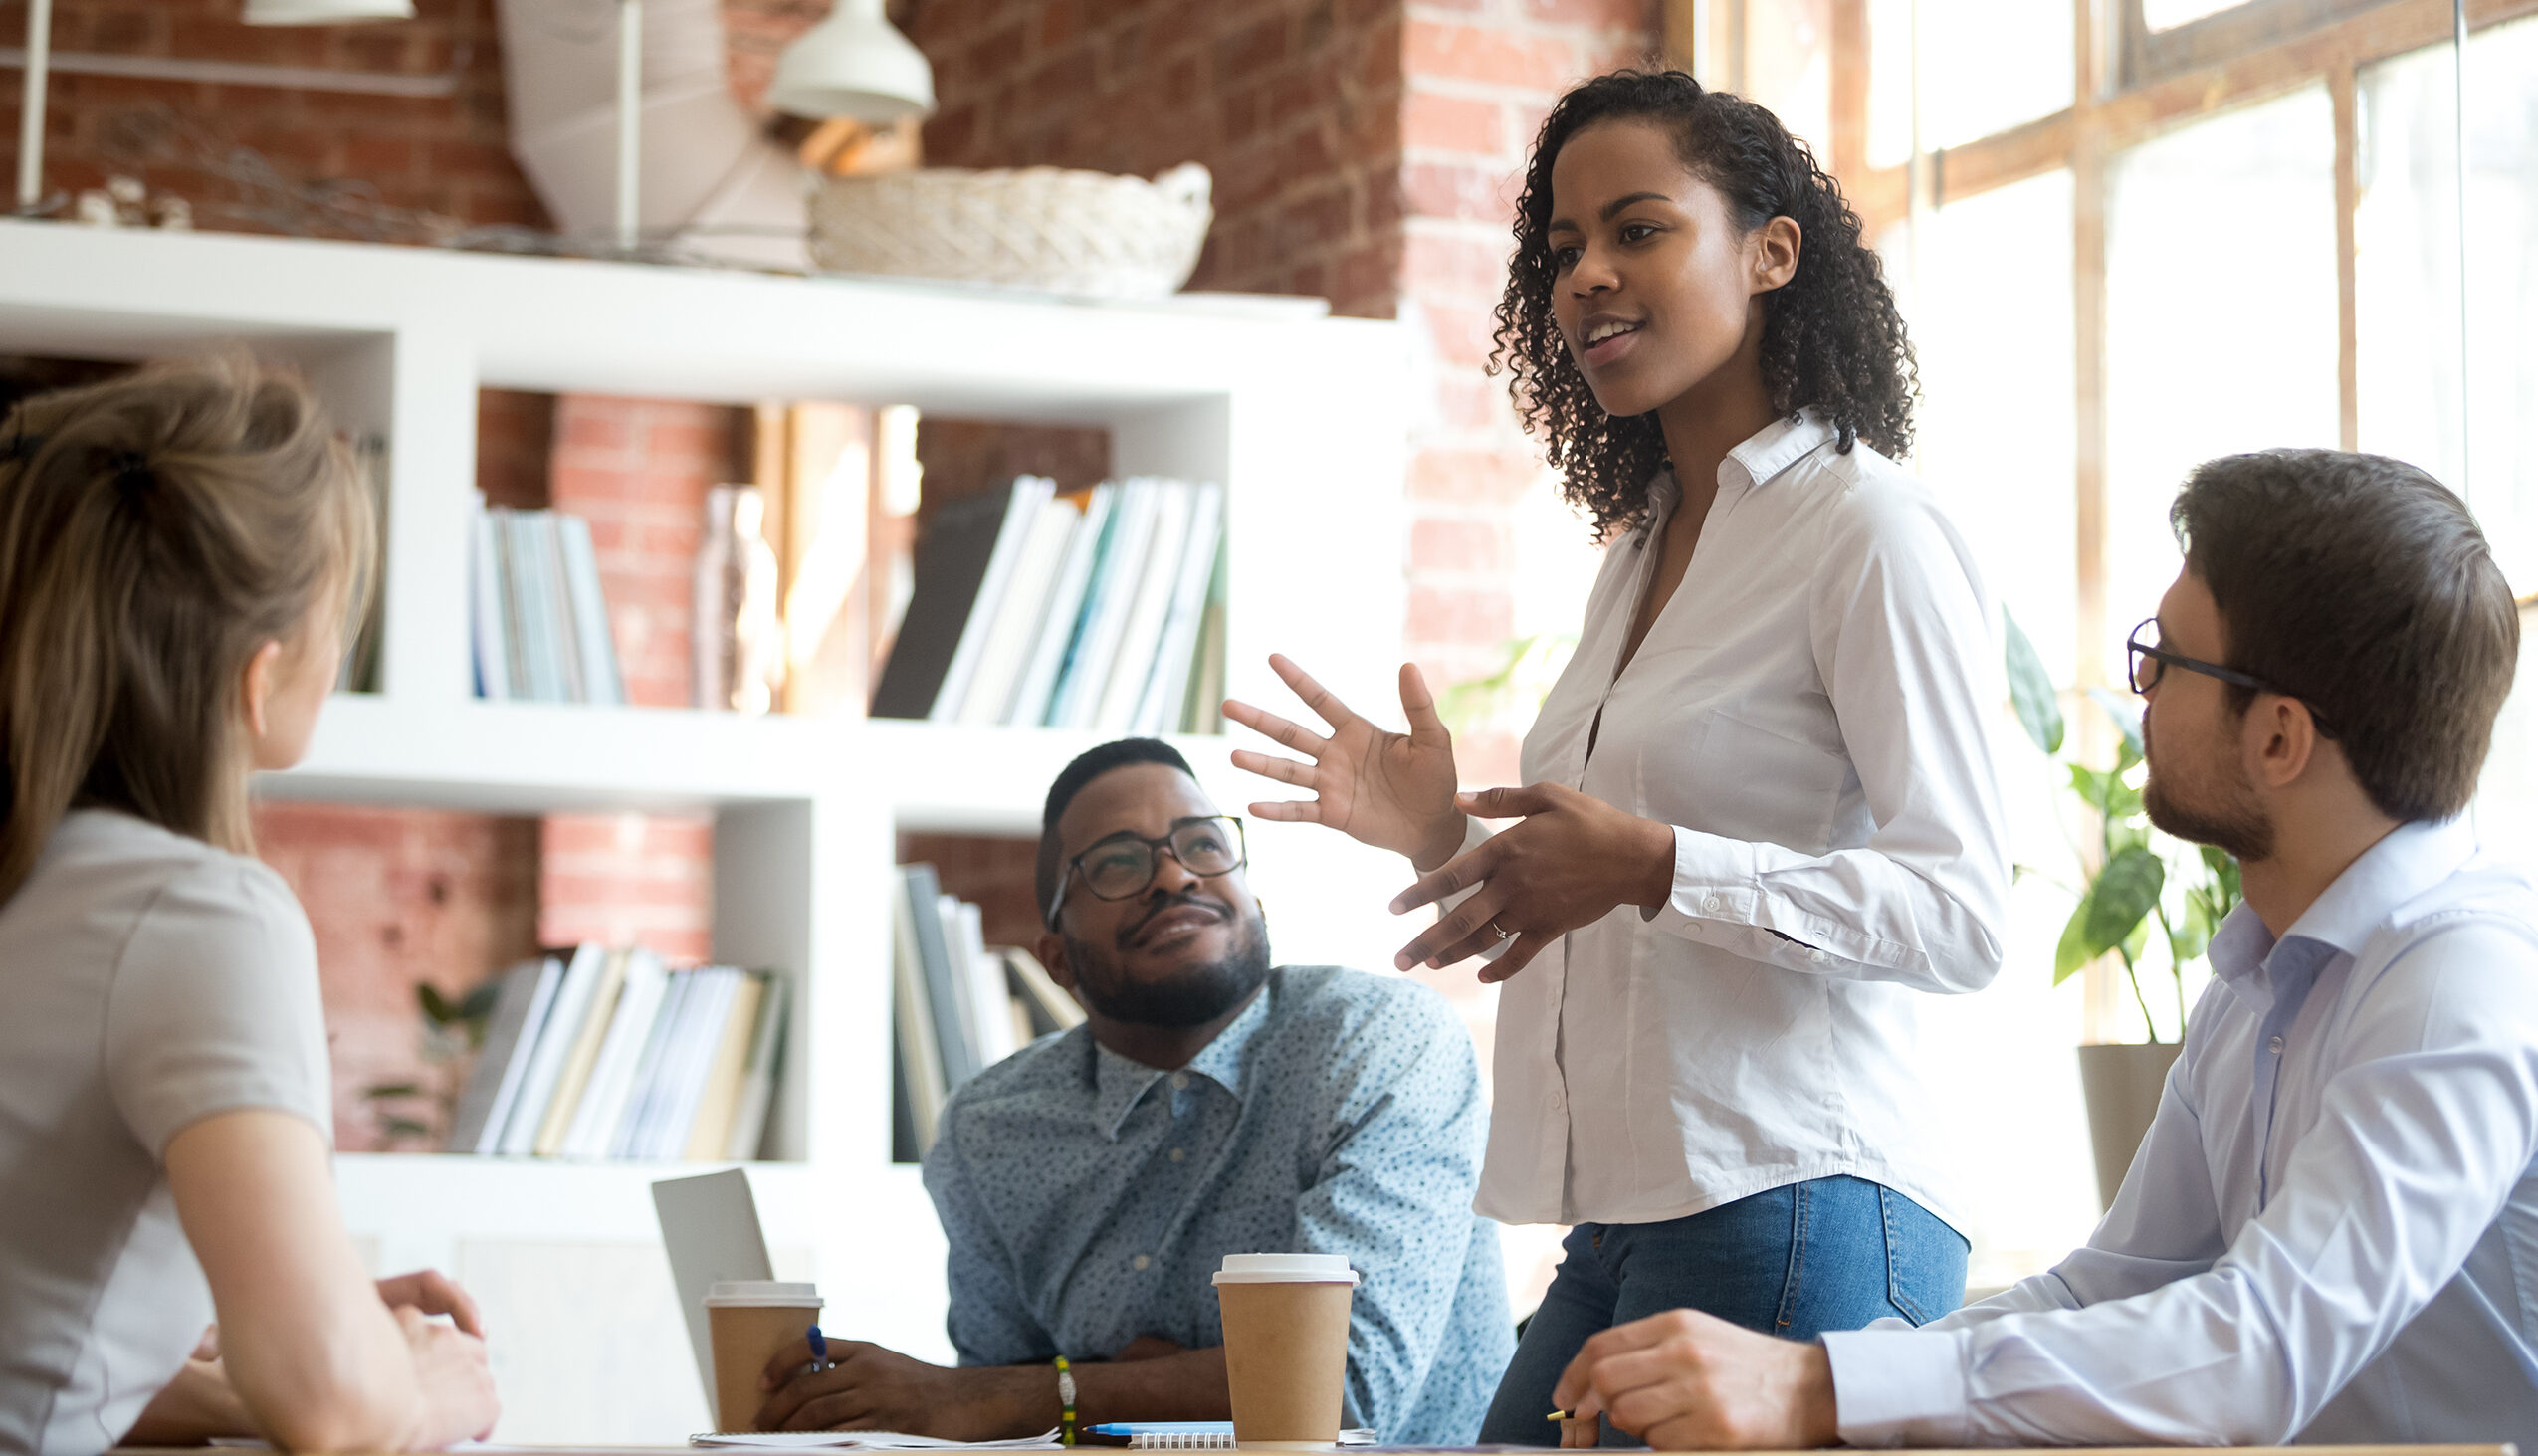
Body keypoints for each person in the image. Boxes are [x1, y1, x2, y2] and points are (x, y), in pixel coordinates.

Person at [1225, 69, 2007, 1442]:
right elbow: (1612, 893)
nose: (1586, 275)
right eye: (1560, 248)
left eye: (1636, 230)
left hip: (1804, 1197)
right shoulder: (1639, 553)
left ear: (1770, 252)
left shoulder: (1865, 531)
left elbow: (1959, 912)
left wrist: (1651, 862)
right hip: (1629, 1217)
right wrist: (1434, 837)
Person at [1551, 448, 2536, 1448]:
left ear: (2279, 738)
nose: (2138, 687)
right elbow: (2108, 1286)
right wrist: (1834, 1381)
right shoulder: (2263, 980)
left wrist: (1820, 1390)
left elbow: (2257, 1348)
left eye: (2167, 659)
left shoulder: (2461, 980)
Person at [0, 356, 500, 1455]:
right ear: (260, 674)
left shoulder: (39, 877)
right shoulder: (197, 913)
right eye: (338, 617)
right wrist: (417, 1380)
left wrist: (280, 1336)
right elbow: (333, 1407)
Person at [753, 738, 1511, 1443]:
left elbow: (1337, 1392)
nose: (1175, 874)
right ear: (1057, 958)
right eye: (1116, 863)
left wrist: (1054, 1392)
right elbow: (1003, 1429)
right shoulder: (988, 1131)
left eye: (1205, 845)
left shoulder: (1379, 1042)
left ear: (1257, 904)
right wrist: (1121, 1387)